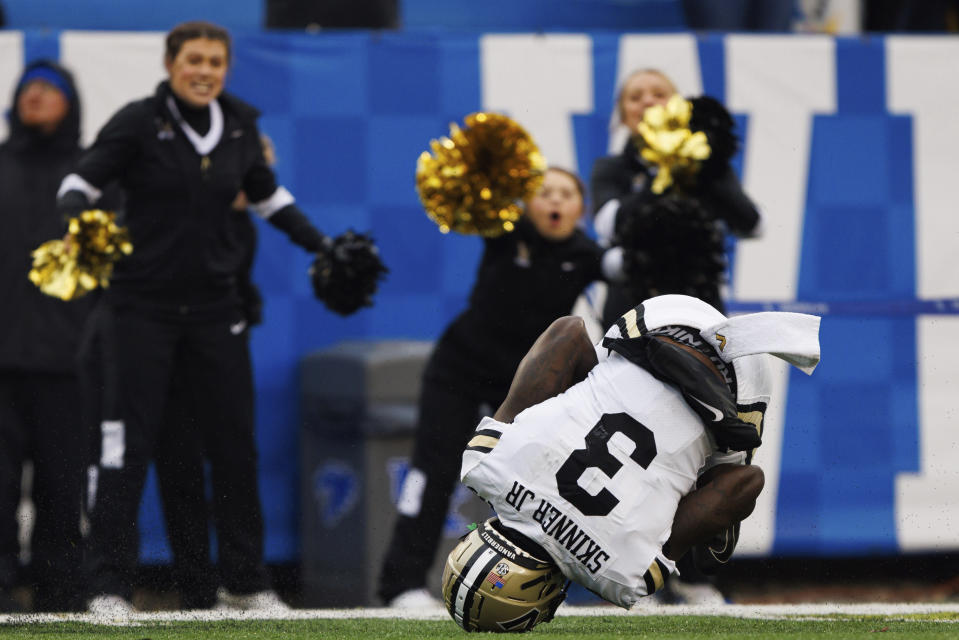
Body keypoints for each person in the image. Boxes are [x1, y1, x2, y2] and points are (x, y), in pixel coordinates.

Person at [56, 21, 382, 616]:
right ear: (170, 63)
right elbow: (79, 181)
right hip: (139, 311)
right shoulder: (136, 121)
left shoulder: (238, 124)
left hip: (214, 314)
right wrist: (79, 220)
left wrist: (321, 244)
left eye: (215, 61)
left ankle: (247, 581)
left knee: (234, 448)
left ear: (226, 68)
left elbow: (268, 197)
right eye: (193, 60)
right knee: (123, 449)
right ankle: (107, 587)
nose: (204, 71)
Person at [442, 294, 821, 631]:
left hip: (739, 389)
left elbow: (748, 482)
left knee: (713, 534)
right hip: (661, 322)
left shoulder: (624, 580)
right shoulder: (482, 465)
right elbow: (568, 332)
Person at [377, 167, 623, 608]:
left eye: (566, 194)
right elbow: (472, 204)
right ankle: (401, 584)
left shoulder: (585, 253)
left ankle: (531, 589)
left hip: (522, 384)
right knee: (430, 470)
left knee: (533, 481)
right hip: (459, 368)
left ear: (580, 209)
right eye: (544, 192)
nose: (555, 201)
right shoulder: (506, 231)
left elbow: (619, 264)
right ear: (528, 203)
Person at [152, 134, 272, 611]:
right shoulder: (176, 218)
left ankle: (246, 582)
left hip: (223, 353)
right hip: (170, 357)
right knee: (179, 466)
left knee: (236, 461)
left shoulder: (245, 228)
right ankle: (196, 589)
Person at [0, 60, 102, 612]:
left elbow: (112, 267)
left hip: (68, 365)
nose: (35, 96)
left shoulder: (91, 176)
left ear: (71, 102)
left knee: (63, 494)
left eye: (49, 89)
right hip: (1, 364)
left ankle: (61, 597)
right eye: (26, 89)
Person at [590, 69, 761, 330]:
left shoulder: (706, 165)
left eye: (659, 94)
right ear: (624, 116)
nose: (648, 102)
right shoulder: (611, 167)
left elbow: (753, 225)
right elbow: (608, 225)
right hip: (629, 310)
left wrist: (709, 166)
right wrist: (663, 169)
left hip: (700, 307)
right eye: (635, 97)